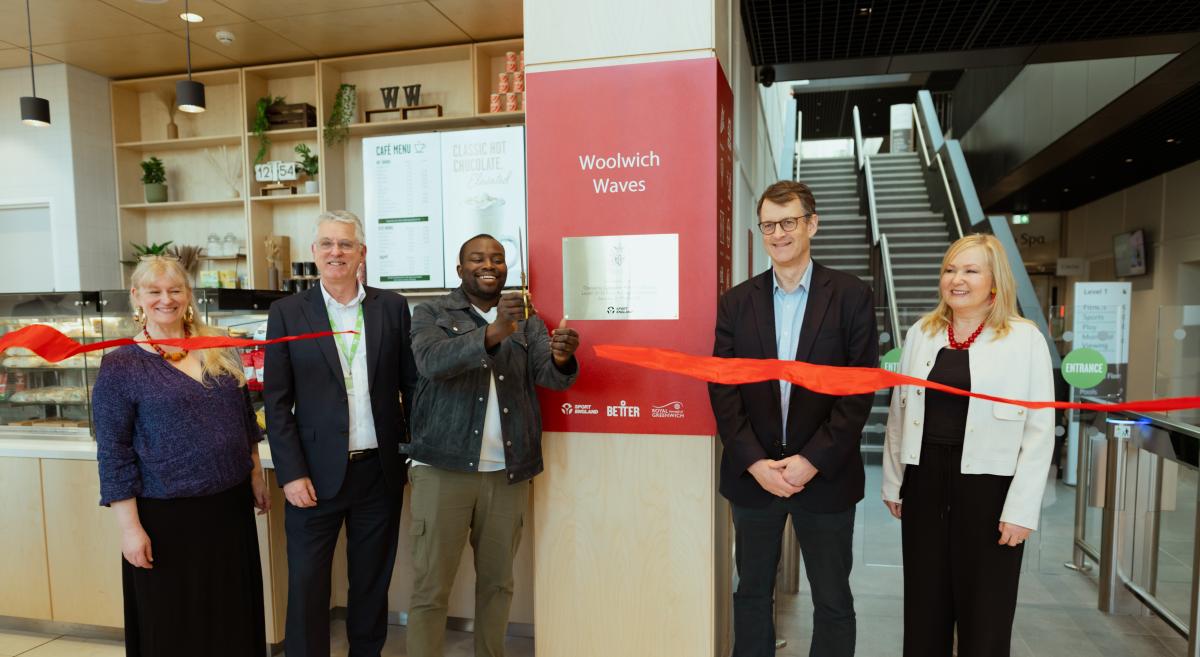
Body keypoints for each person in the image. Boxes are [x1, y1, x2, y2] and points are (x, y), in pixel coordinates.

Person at [709, 180, 877, 657]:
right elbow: (723, 387)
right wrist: (755, 461)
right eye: (768, 225)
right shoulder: (737, 302)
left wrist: (812, 460)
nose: (778, 234)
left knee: (832, 598)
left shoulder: (850, 296)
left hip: (824, 476)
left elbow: (857, 389)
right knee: (751, 592)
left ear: (812, 225)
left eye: (788, 222)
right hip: (754, 477)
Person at [406, 234, 580, 657]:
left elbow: (549, 378)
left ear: (507, 268)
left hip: (506, 473)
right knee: (431, 588)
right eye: (478, 258)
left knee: (498, 586)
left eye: (498, 259)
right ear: (460, 268)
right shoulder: (430, 311)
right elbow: (432, 362)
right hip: (442, 468)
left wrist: (561, 357)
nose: (490, 265)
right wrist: (495, 332)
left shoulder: (530, 319)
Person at [881, 233, 1054, 657]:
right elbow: (900, 412)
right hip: (924, 480)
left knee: (986, 614)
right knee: (924, 608)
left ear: (995, 281)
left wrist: (1021, 510)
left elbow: (1038, 429)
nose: (956, 279)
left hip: (989, 487)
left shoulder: (1023, 338)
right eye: (949, 270)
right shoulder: (924, 331)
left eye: (970, 270)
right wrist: (894, 481)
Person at [93, 256, 270, 657]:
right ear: (136, 296)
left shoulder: (216, 348)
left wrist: (255, 475)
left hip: (228, 510)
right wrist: (130, 529)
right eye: (154, 291)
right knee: (175, 625)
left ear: (188, 295)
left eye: (175, 290)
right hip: (166, 518)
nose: (166, 299)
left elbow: (244, 420)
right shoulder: (121, 365)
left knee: (232, 618)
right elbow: (113, 452)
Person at [263, 210, 418, 657]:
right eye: (327, 244)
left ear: (362, 253)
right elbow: (277, 401)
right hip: (312, 476)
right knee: (308, 582)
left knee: (371, 582)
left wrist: (411, 452)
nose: (337, 252)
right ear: (314, 253)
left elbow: (411, 386)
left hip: (379, 472)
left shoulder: (391, 307)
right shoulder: (288, 312)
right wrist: (290, 474)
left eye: (346, 244)